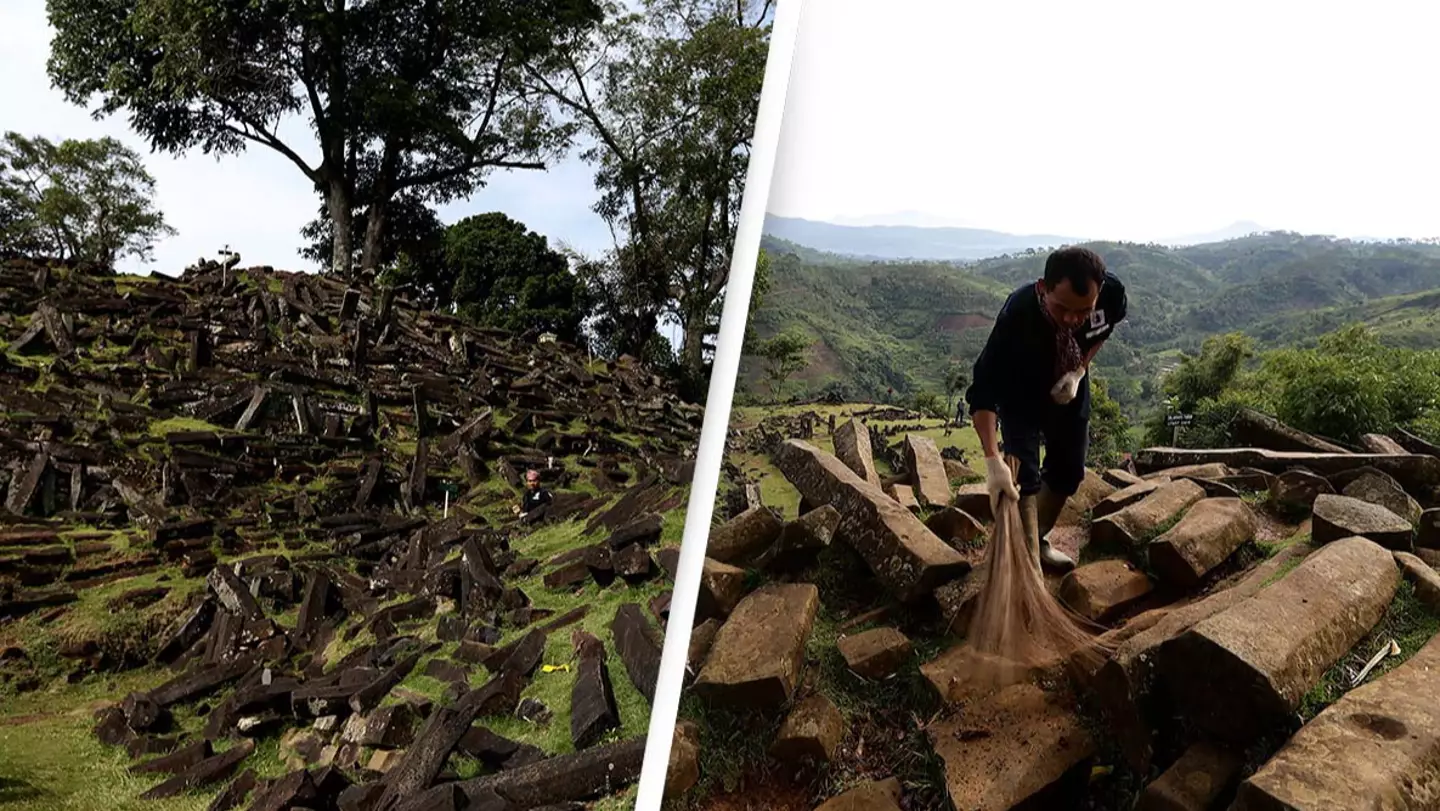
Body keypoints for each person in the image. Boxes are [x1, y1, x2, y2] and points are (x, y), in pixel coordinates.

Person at [964, 246, 1127, 572]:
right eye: (1061, 308)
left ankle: (1034, 539)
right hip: (1020, 392)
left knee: (1069, 470)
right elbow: (982, 389)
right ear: (1043, 288)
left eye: (1083, 311)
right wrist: (993, 461)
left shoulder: (1111, 295)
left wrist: (1079, 370)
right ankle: (1025, 570)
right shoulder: (1018, 313)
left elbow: (1102, 331)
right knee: (1023, 477)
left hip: (1067, 385)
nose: (1071, 319)